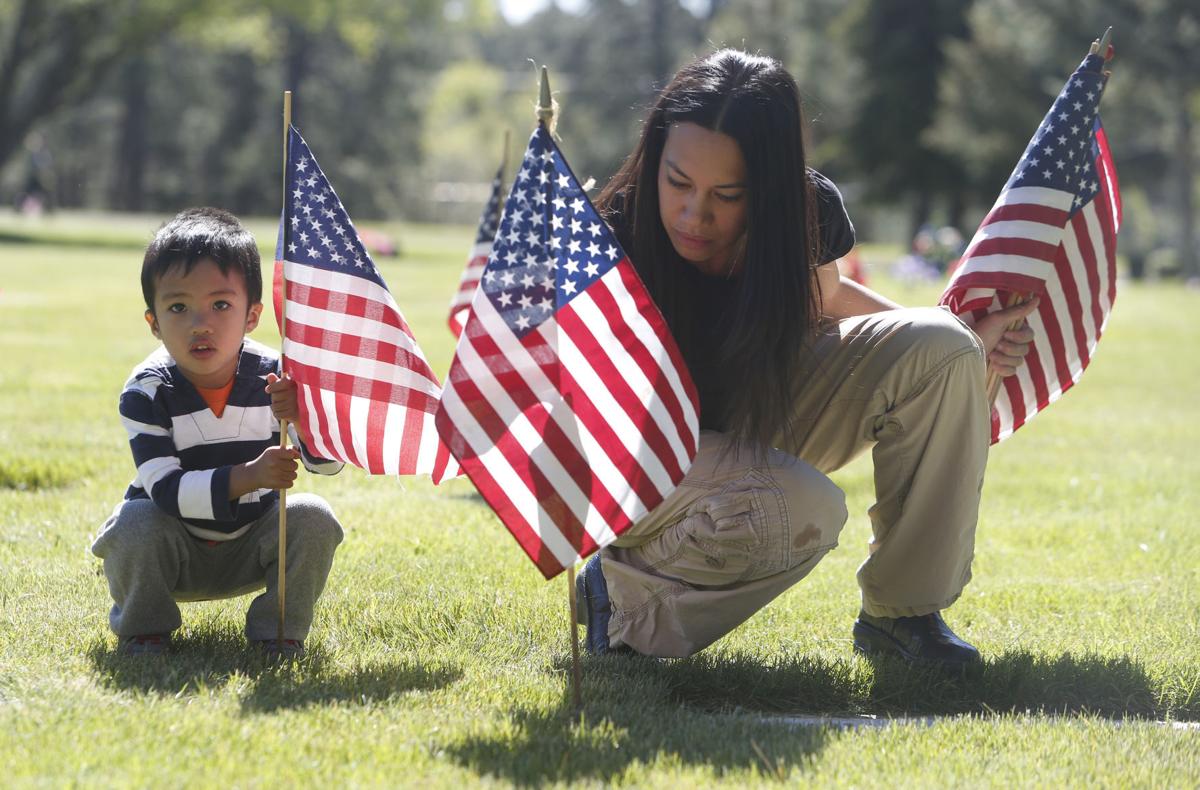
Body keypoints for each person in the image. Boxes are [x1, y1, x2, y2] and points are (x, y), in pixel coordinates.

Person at [576, 49, 1039, 668]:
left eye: (727, 194)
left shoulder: (806, 213)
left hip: (747, 423)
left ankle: (903, 618)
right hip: (640, 461)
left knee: (945, 349)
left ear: (769, 187)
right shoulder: (609, 235)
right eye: (678, 182)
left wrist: (964, 342)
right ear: (654, 160)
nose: (695, 213)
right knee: (802, 509)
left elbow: (829, 300)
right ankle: (620, 600)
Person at [92, 207, 345, 660]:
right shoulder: (147, 392)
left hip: (252, 542)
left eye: (221, 305)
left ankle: (279, 632)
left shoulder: (278, 376)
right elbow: (166, 491)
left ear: (252, 315)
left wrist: (304, 419)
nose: (200, 323)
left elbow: (327, 465)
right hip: (174, 548)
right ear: (153, 322)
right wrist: (249, 476)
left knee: (314, 516)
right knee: (135, 522)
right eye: (178, 307)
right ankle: (145, 631)